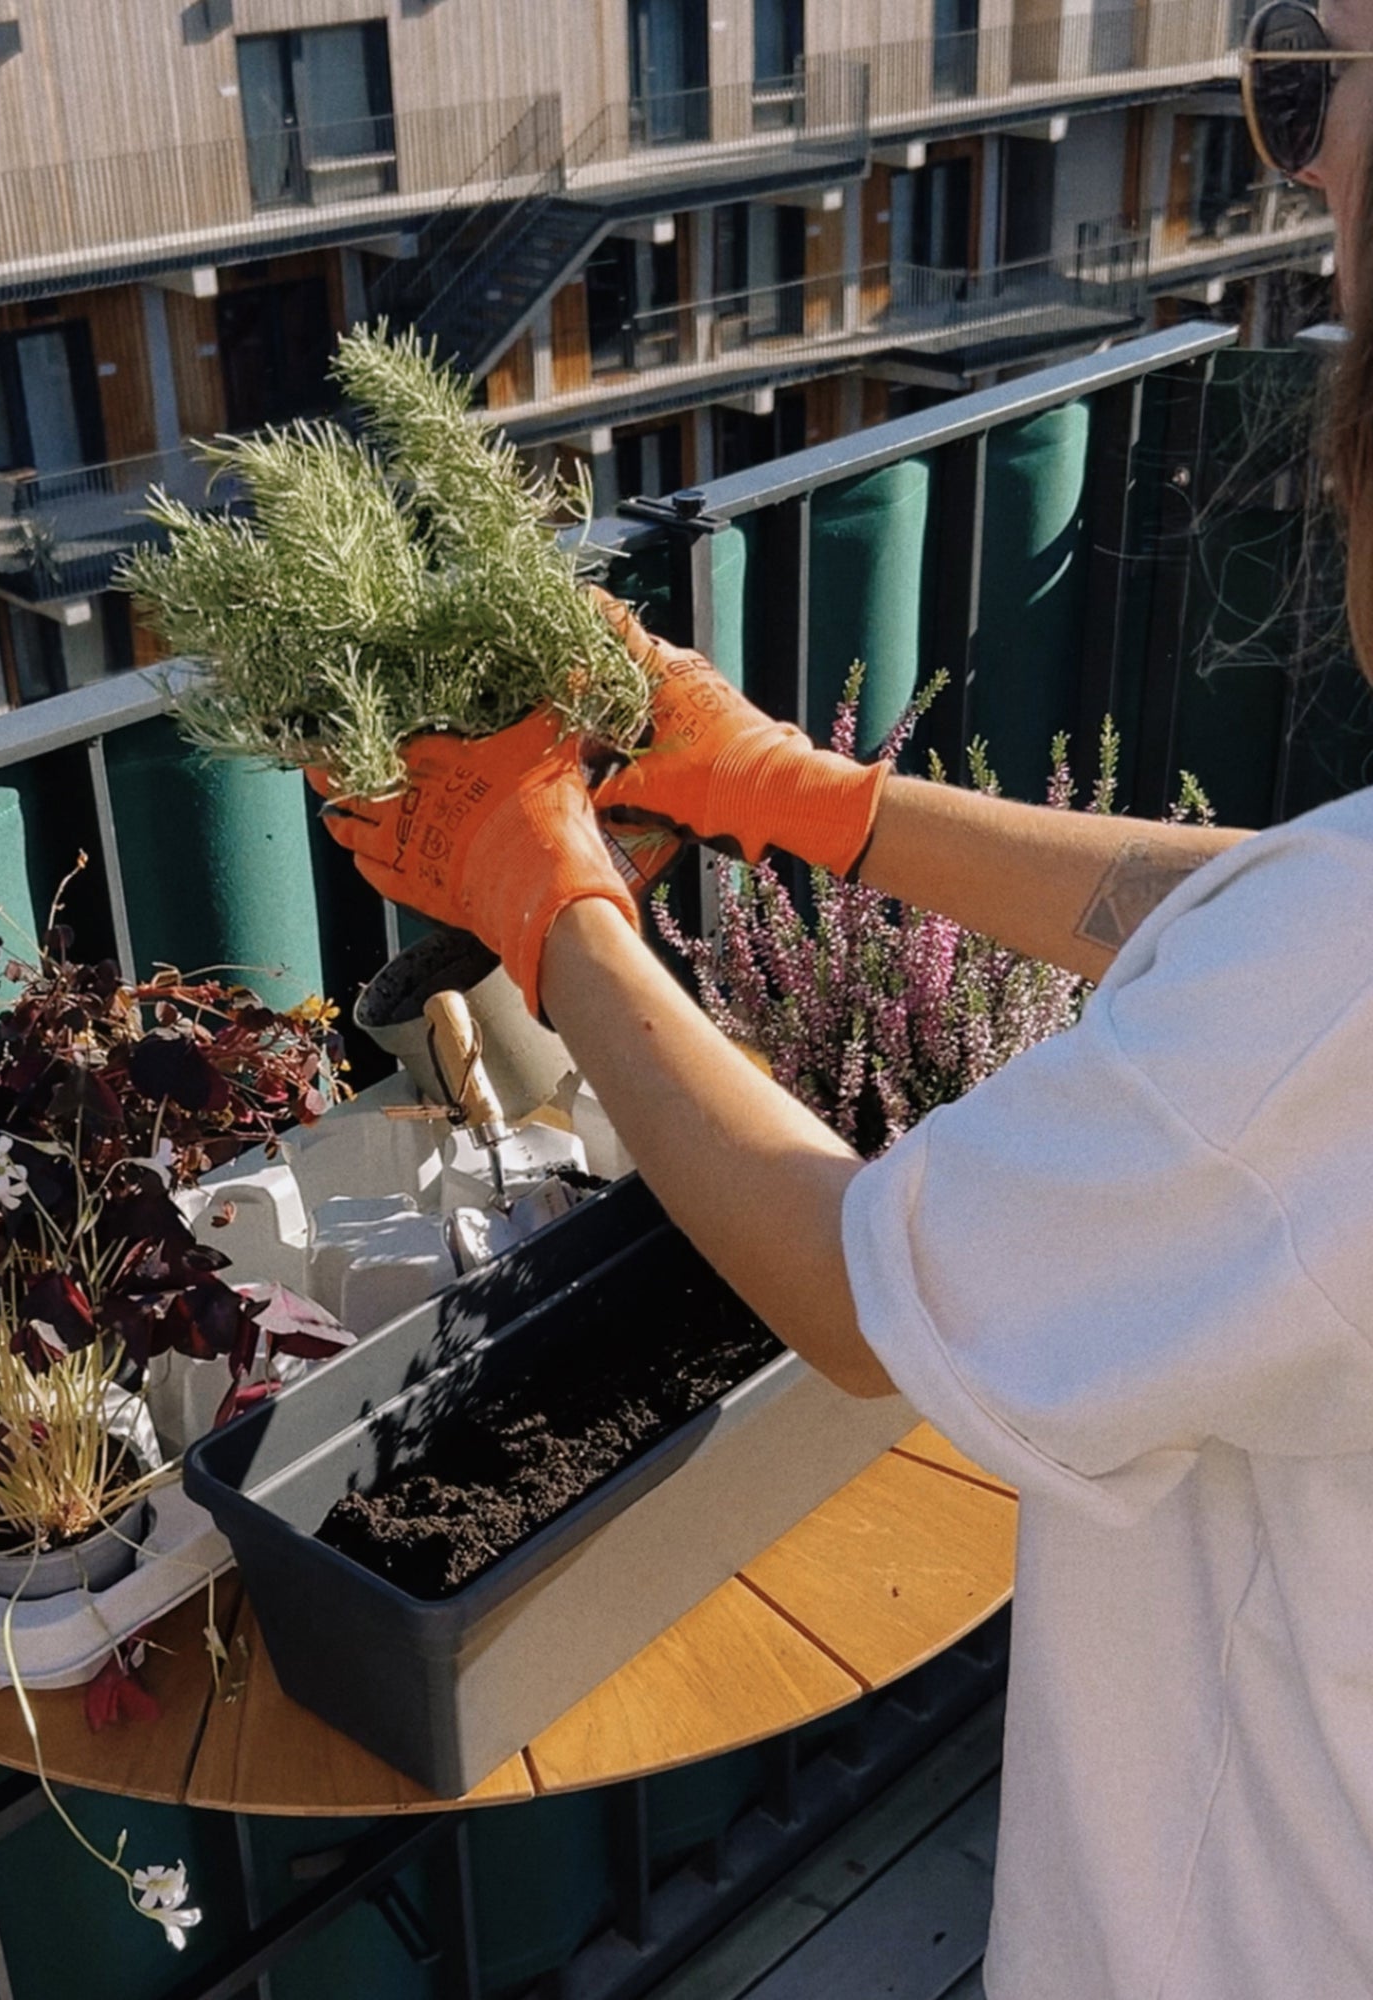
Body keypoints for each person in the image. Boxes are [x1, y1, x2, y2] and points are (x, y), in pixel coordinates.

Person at [318, 6, 1373, 1991]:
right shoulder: (1327, 953)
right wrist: (789, 791)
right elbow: (1254, 922)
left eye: (1331, 99)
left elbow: (854, 1283)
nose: (1299, 172)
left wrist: (545, 903)